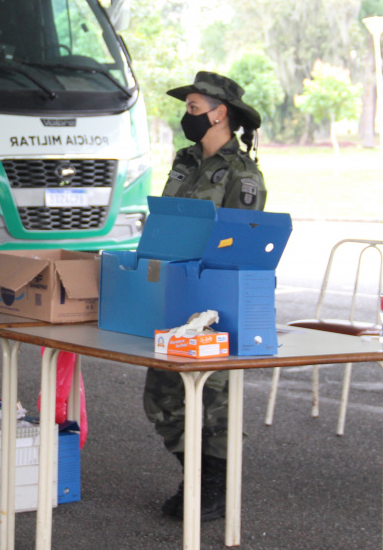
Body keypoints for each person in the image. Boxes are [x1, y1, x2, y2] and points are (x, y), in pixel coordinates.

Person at [147, 70, 266, 521]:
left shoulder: (242, 174)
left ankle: (211, 485)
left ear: (220, 114)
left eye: (194, 108)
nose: (187, 116)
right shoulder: (184, 161)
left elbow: (241, 242)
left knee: (213, 399)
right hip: (175, 288)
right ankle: (197, 472)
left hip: (217, 296)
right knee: (160, 395)